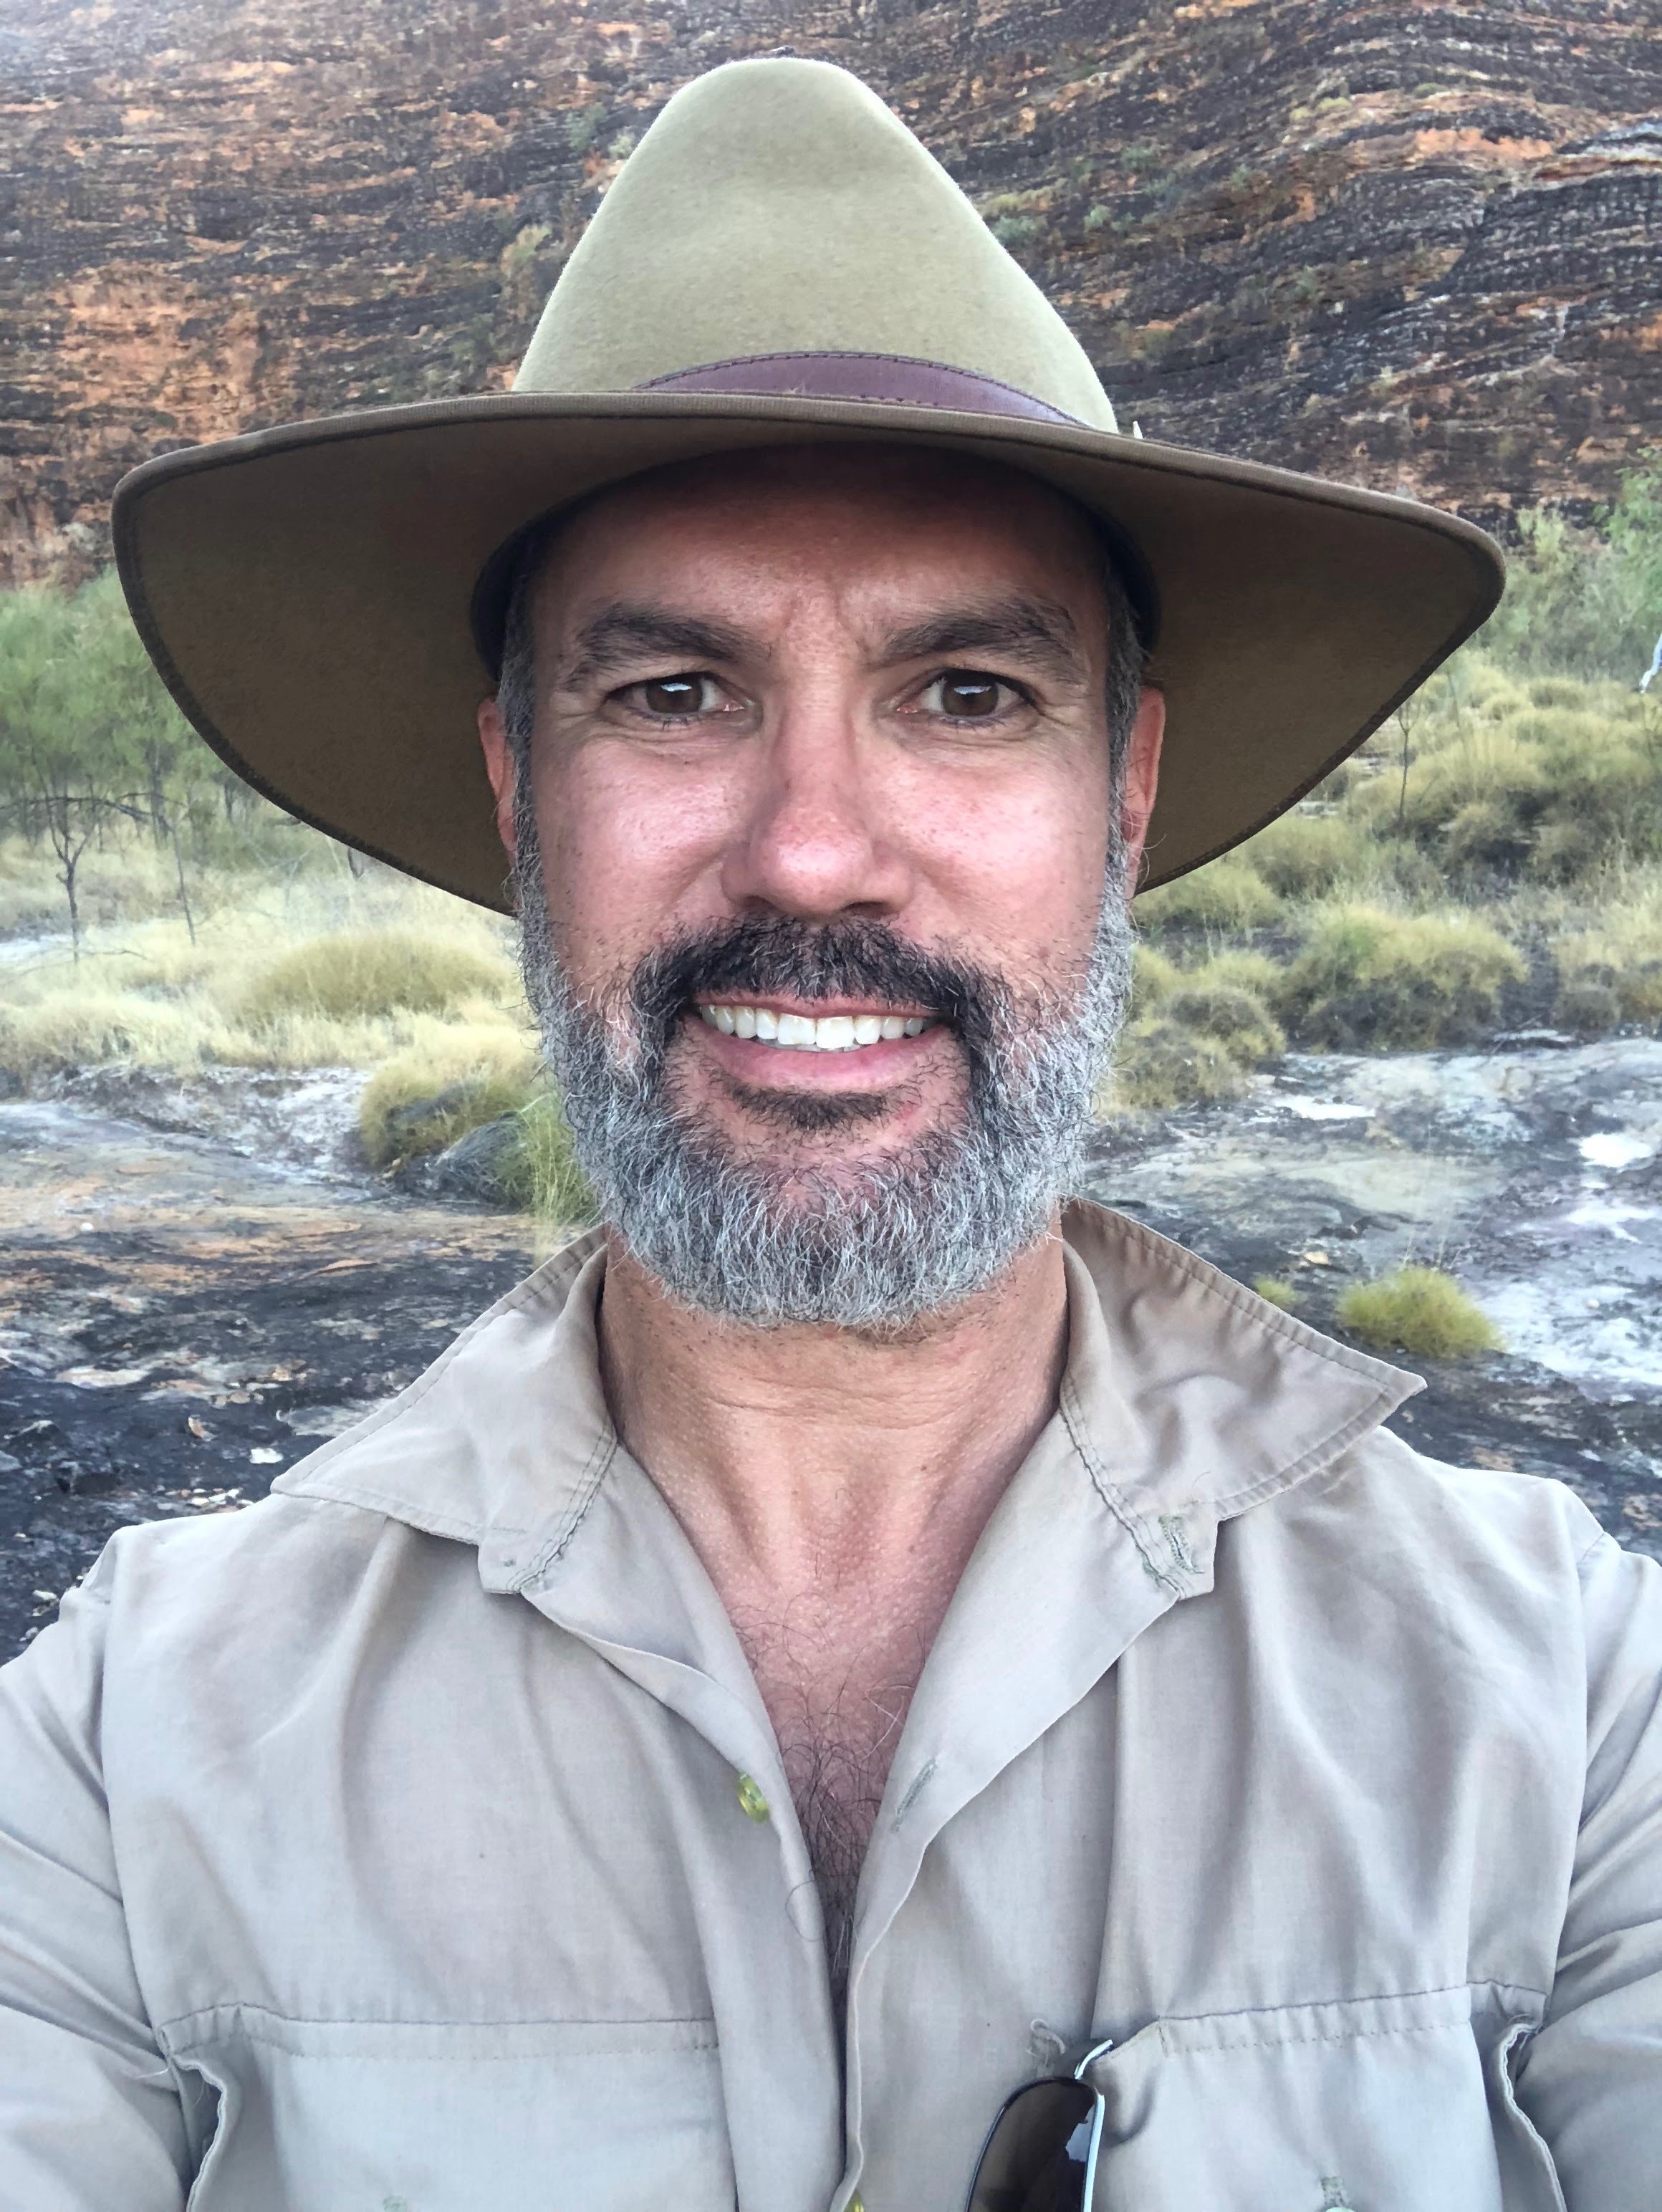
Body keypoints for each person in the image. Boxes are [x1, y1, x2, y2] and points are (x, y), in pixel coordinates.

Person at [3, 57, 1658, 2212]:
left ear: (1124, 791)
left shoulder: (1569, 1712)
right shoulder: (126, 1759)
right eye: (672, 695)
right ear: (519, 787)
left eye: (965, 696)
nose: (808, 855)